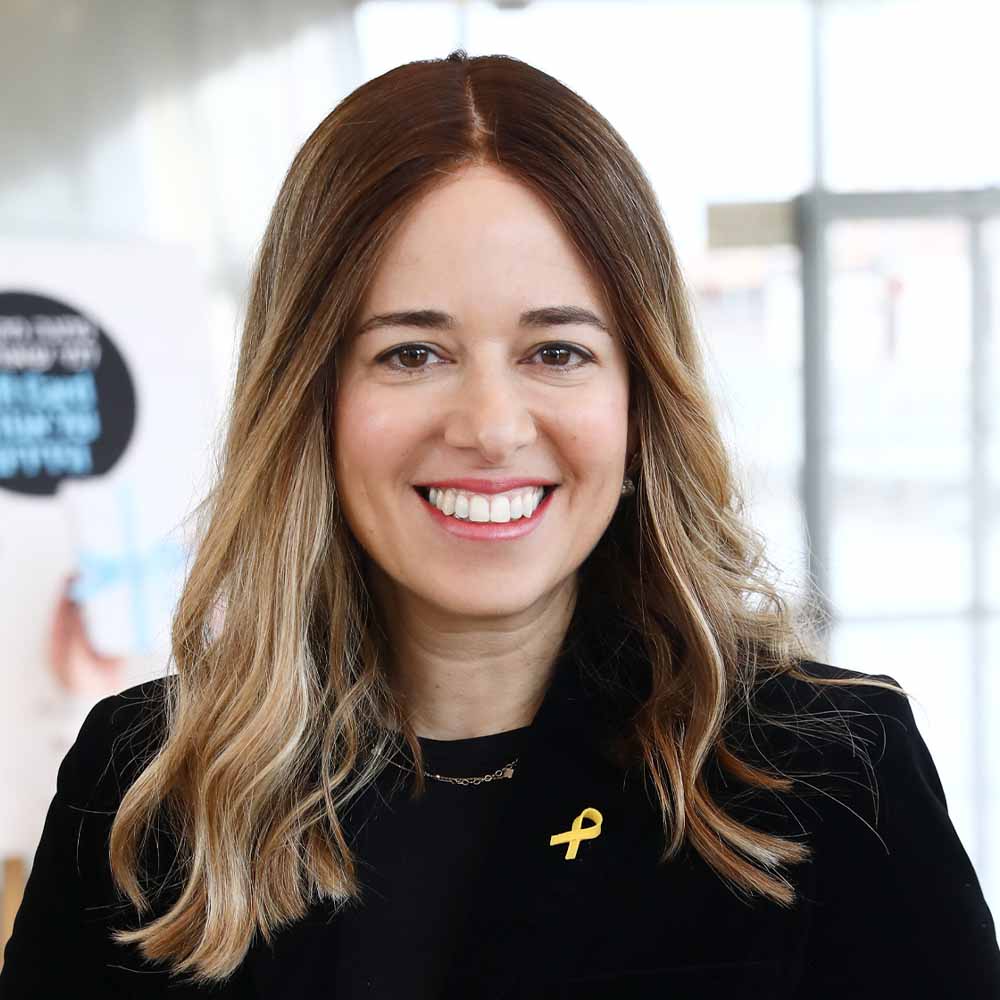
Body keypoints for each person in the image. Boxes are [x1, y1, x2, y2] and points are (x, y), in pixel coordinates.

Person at [2, 48, 998, 999]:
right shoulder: (143, 789)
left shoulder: (829, 770)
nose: (490, 426)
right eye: (411, 354)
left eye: (556, 352)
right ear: (311, 399)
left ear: (639, 400)